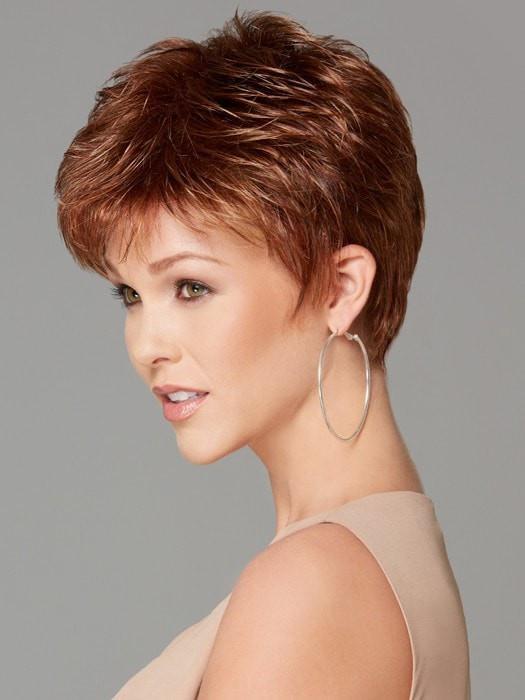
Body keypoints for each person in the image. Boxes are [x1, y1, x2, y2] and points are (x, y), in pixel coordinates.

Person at [54, 8, 470, 699]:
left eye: (191, 287)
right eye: (129, 295)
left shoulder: (312, 584)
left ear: (340, 288)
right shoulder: (372, 559)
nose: (146, 345)